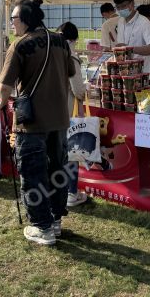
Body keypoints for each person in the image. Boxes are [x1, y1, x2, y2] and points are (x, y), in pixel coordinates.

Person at [0, 0, 75, 245]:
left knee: (33, 173)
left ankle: (42, 227)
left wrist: (1, 104)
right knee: (57, 171)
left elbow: (4, 88)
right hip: (60, 119)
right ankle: (55, 220)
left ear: (26, 19)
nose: (12, 24)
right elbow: (71, 72)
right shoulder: (61, 41)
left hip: (31, 123)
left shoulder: (20, 45)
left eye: (14, 19)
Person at [56, 22, 89, 208]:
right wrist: (85, 90)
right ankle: (71, 192)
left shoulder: (51, 53)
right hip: (68, 112)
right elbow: (78, 89)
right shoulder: (71, 56)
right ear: (74, 39)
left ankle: (59, 192)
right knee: (72, 154)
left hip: (50, 112)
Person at [112, 0, 150, 74]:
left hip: (141, 75)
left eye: (124, 6)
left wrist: (130, 49)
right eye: (118, 7)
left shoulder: (143, 22)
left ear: (132, 3)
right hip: (124, 73)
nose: (121, 9)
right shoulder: (121, 21)